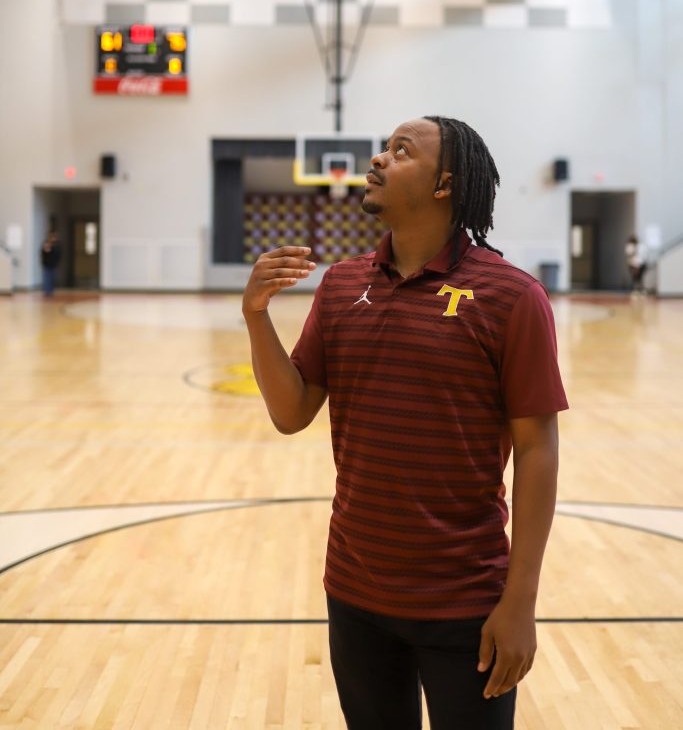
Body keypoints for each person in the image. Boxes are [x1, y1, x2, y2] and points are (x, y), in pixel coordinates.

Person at [242, 116, 568, 730]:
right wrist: (257, 316)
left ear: (445, 182)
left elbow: (537, 448)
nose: (378, 160)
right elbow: (291, 412)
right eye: (384, 148)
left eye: (400, 151)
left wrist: (521, 600)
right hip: (355, 592)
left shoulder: (511, 296)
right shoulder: (340, 286)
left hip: (467, 600)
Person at [40, 230, 61, 298]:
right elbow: (45, 252)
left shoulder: (57, 245)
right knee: (47, 278)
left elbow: (58, 254)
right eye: (52, 236)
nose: (53, 238)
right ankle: (47, 292)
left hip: (54, 265)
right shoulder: (46, 243)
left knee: (52, 278)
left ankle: (51, 291)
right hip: (47, 265)